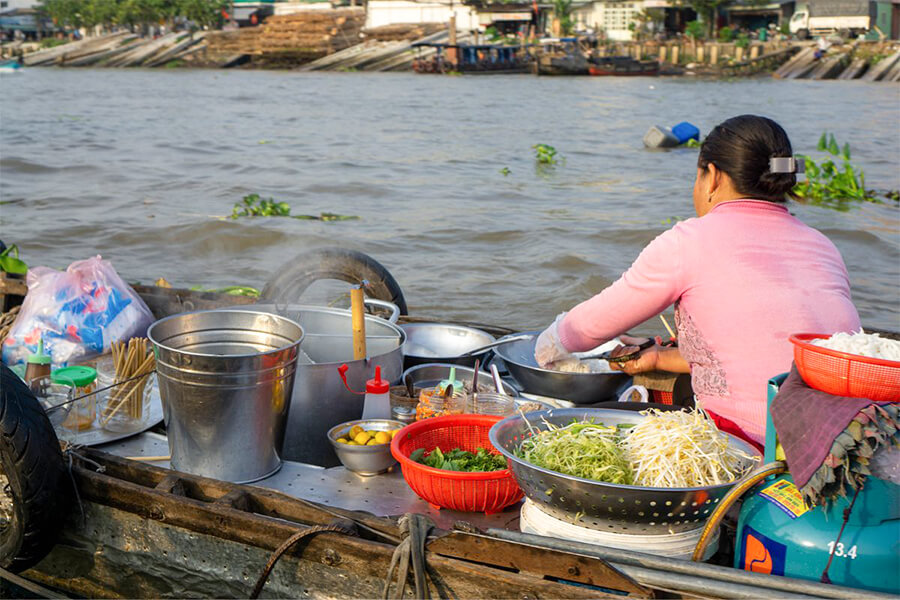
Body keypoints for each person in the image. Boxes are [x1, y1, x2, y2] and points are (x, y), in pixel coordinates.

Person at [534, 115, 860, 446]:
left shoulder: (689, 241)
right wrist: (660, 358)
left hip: (753, 443)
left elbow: (586, 328)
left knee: (565, 430)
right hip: (840, 437)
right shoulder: (823, 245)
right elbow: (761, 349)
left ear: (713, 177)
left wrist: (544, 346)